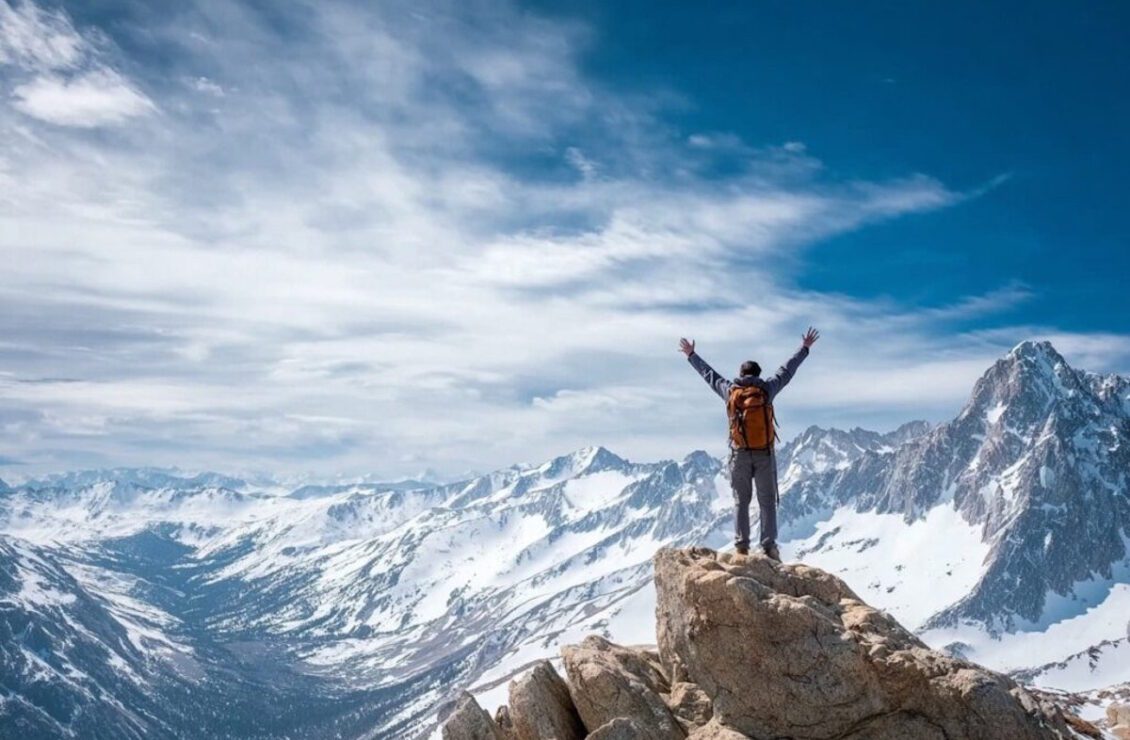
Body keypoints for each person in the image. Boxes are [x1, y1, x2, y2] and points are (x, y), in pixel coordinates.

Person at [678, 327, 819, 561]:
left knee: (740, 502)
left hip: (740, 454)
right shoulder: (767, 389)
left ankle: (741, 547)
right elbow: (787, 370)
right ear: (758, 373)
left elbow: (709, 375)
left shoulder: (731, 391)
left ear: (740, 373)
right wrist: (804, 348)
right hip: (764, 454)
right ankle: (769, 548)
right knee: (767, 502)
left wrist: (692, 355)